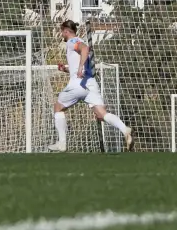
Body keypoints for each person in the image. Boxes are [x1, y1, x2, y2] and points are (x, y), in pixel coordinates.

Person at [50, 20, 134, 152]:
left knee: (58, 108)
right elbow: (81, 63)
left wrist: (79, 68)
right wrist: (66, 69)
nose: (62, 34)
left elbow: (85, 49)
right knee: (102, 114)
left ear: (66, 31)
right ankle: (125, 129)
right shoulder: (77, 41)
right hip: (90, 83)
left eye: (62, 31)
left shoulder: (72, 41)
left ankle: (62, 143)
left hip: (79, 84)